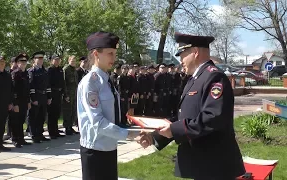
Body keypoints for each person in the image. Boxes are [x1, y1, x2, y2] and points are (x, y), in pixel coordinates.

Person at [139, 33, 246, 180]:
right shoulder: (195, 79)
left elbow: (213, 117)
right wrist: (156, 135)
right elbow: (185, 116)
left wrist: (174, 130)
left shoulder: (214, 77)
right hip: (202, 164)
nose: (180, 60)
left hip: (214, 165)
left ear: (195, 52)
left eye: (182, 55)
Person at [77, 31, 139, 180]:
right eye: (110, 53)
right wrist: (129, 134)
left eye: (115, 53)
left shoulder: (107, 80)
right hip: (95, 150)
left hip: (110, 146)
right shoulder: (90, 83)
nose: (114, 58)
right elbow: (97, 122)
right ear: (96, 54)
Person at [28, 51, 52, 143]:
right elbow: (31, 86)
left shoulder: (44, 71)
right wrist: (33, 99)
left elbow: (48, 85)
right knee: (34, 116)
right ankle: (34, 134)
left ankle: (40, 133)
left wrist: (49, 97)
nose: (41, 60)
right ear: (34, 60)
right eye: (39, 59)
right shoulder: (31, 71)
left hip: (44, 96)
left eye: (42, 58)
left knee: (42, 116)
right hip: (36, 96)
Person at [9, 53, 32, 147]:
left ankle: (21, 139)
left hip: (24, 101)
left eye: (25, 62)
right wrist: (15, 103)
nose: (23, 63)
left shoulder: (26, 73)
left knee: (22, 120)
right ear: (17, 63)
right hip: (17, 102)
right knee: (15, 121)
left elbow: (27, 89)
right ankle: (15, 139)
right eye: (21, 62)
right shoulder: (15, 74)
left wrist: (28, 101)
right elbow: (12, 90)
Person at [47, 55, 66, 139]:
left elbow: (62, 82)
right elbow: (48, 83)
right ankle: (51, 132)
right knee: (51, 113)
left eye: (58, 60)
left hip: (59, 93)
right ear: (52, 61)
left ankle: (55, 130)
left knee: (57, 113)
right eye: (56, 60)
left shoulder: (60, 70)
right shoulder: (49, 70)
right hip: (53, 92)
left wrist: (63, 92)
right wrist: (49, 95)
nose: (57, 61)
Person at [62, 55, 79, 135]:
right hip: (68, 93)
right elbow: (64, 83)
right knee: (68, 111)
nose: (73, 62)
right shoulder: (66, 69)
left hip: (74, 93)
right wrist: (66, 95)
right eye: (72, 61)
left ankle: (70, 126)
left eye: (74, 61)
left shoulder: (74, 70)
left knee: (73, 111)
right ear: (69, 61)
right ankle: (67, 127)